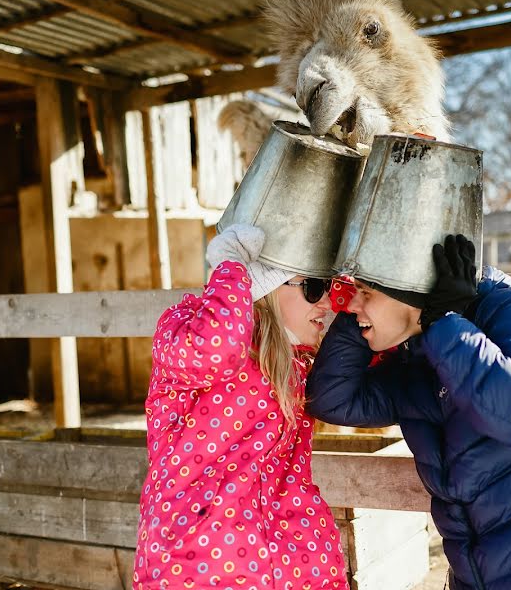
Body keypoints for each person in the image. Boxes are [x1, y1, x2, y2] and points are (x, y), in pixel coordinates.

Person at [307, 234, 511, 590]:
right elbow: (331, 399)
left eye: (366, 293)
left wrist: (442, 322)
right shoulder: (416, 358)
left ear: (412, 287)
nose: (351, 304)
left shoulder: (510, 313)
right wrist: (368, 321)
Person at [133, 223, 349, 590]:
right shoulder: (187, 331)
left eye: (327, 288)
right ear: (263, 288)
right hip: (195, 569)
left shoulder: (299, 364)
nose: (326, 303)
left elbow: (376, 353)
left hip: (293, 566)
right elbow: (216, 346)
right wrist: (231, 268)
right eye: (314, 287)